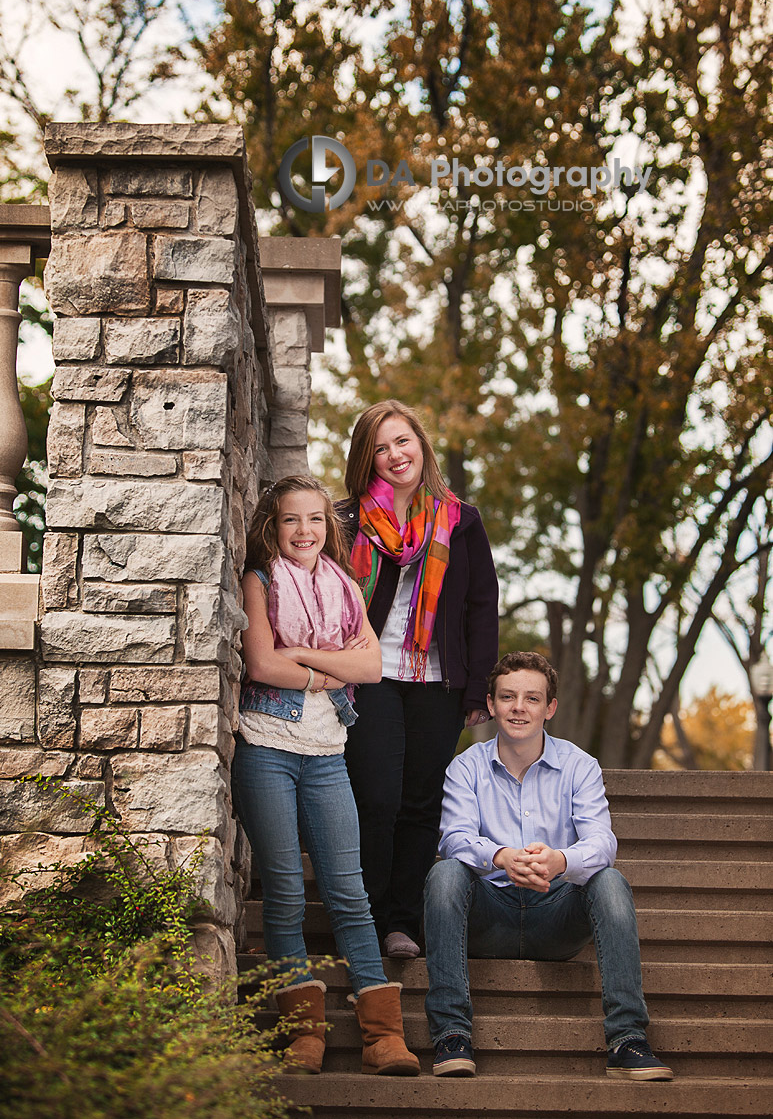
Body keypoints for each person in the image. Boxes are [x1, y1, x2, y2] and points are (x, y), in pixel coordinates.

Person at [231, 475, 420, 1077]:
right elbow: (260, 661)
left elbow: (370, 663)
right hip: (266, 748)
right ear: (273, 527)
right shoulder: (258, 580)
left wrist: (305, 657)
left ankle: (383, 1034)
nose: (305, 531)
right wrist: (323, 676)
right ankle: (302, 1034)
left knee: (350, 890)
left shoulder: (344, 587)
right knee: (285, 892)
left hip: (327, 752)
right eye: (291, 520)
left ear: (328, 528)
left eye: (315, 519)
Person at [423, 650, 674, 1081]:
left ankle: (627, 1039)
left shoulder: (580, 766)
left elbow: (601, 843)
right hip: (489, 915)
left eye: (532, 698)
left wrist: (560, 861)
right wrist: (499, 856)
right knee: (444, 873)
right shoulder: (465, 768)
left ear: (549, 707)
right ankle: (451, 1035)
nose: (519, 708)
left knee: (610, 880)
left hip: (556, 919)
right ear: (491, 704)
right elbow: (453, 838)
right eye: (508, 697)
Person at [339, 400, 499, 959]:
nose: (394, 455)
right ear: (367, 458)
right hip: (369, 673)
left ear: (421, 445)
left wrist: (478, 688)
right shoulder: (346, 520)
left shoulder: (461, 520)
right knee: (377, 796)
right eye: (381, 448)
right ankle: (363, 914)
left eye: (402, 441)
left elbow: (481, 607)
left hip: (439, 680)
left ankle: (402, 921)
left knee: (420, 801)